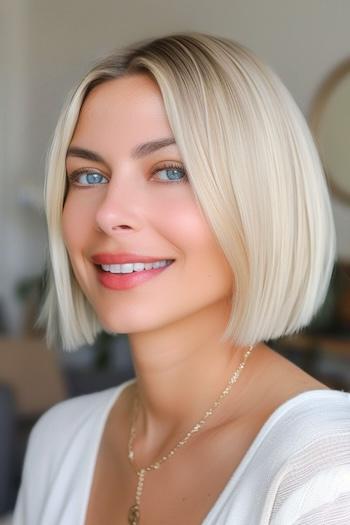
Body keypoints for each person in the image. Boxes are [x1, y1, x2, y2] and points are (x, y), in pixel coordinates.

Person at [13, 32, 350, 525]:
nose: (109, 213)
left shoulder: (326, 470)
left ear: (259, 200)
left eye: (170, 171)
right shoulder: (59, 439)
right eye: (87, 176)